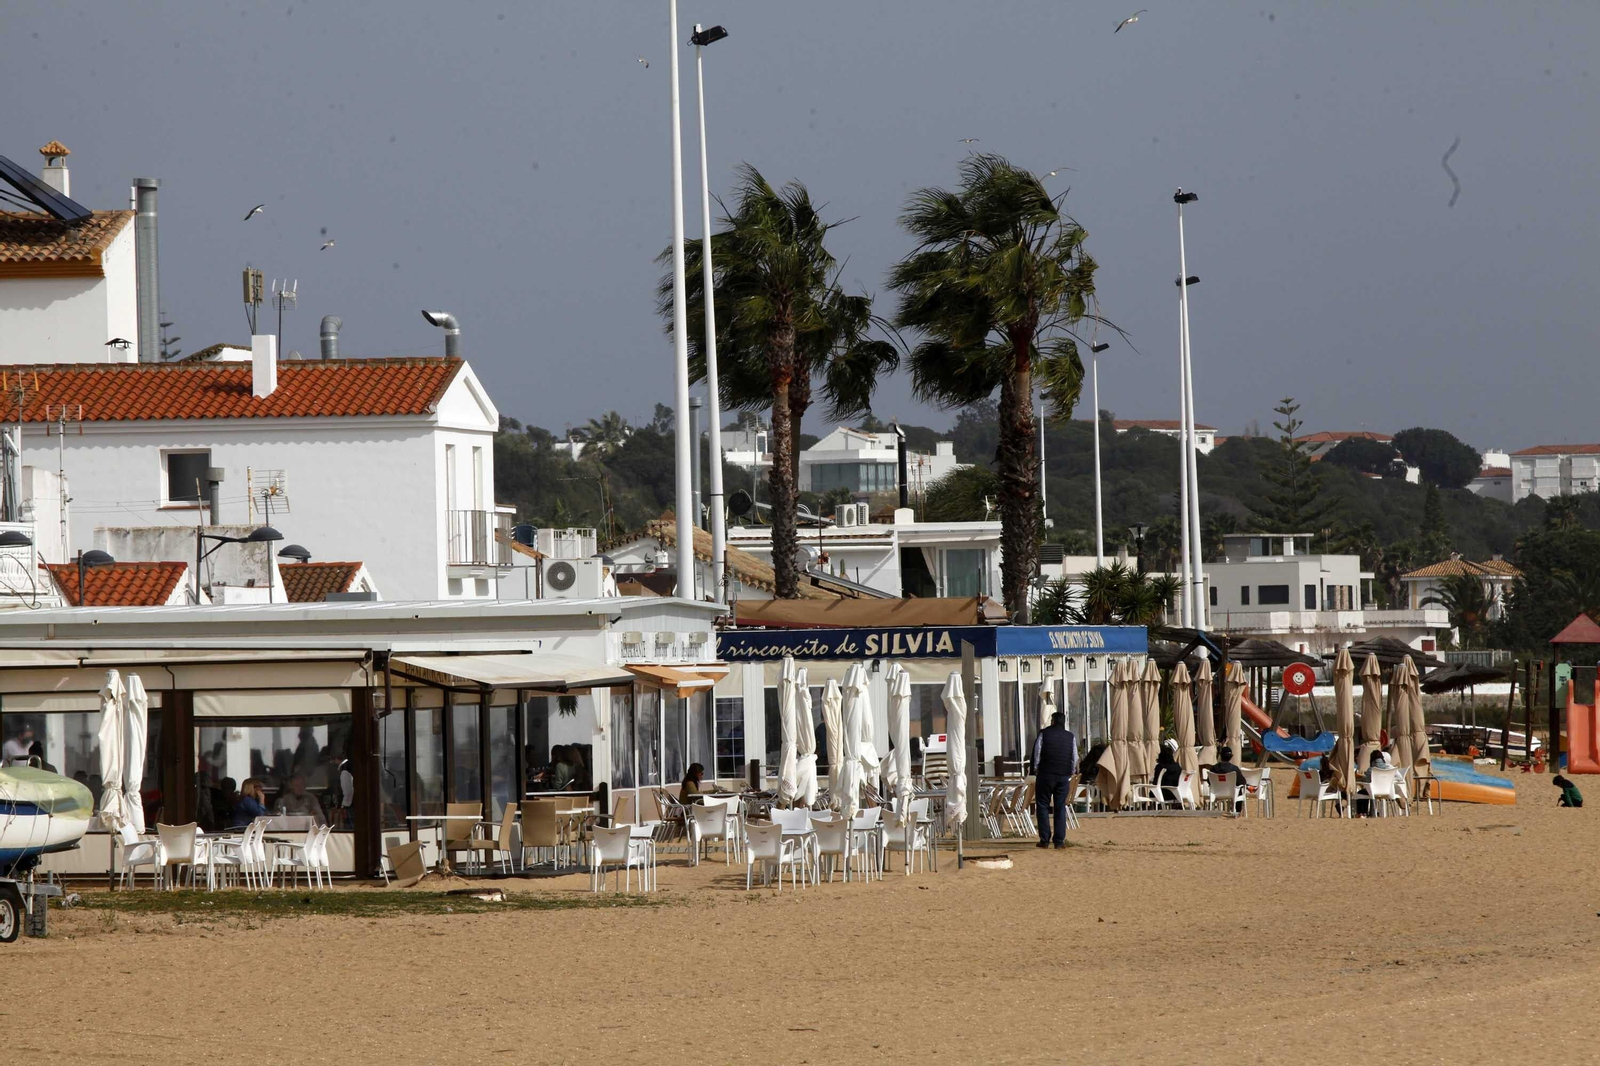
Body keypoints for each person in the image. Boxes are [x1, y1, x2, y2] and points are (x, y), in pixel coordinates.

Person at [1030, 710, 1078, 849]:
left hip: (1045, 774)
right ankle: (1059, 841)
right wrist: (1071, 772)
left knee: (1043, 805)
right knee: (1060, 806)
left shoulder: (1044, 734)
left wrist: (1036, 769)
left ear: (1052, 721)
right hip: (1063, 776)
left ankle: (1045, 840)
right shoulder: (1070, 737)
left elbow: (1037, 754)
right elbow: (1074, 758)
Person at [1207, 746, 1249, 813]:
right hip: (1232, 793)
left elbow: (1209, 781)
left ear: (1220, 756)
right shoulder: (1234, 769)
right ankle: (1237, 811)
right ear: (1231, 757)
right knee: (1240, 788)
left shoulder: (1213, 768)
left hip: (1216, 793)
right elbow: (1242, 782)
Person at [1152, 739, 1183, 804]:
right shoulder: (1177, 766)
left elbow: (1155, 782)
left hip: (1164, 794)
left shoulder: (1160, 767)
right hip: (1177, 793)